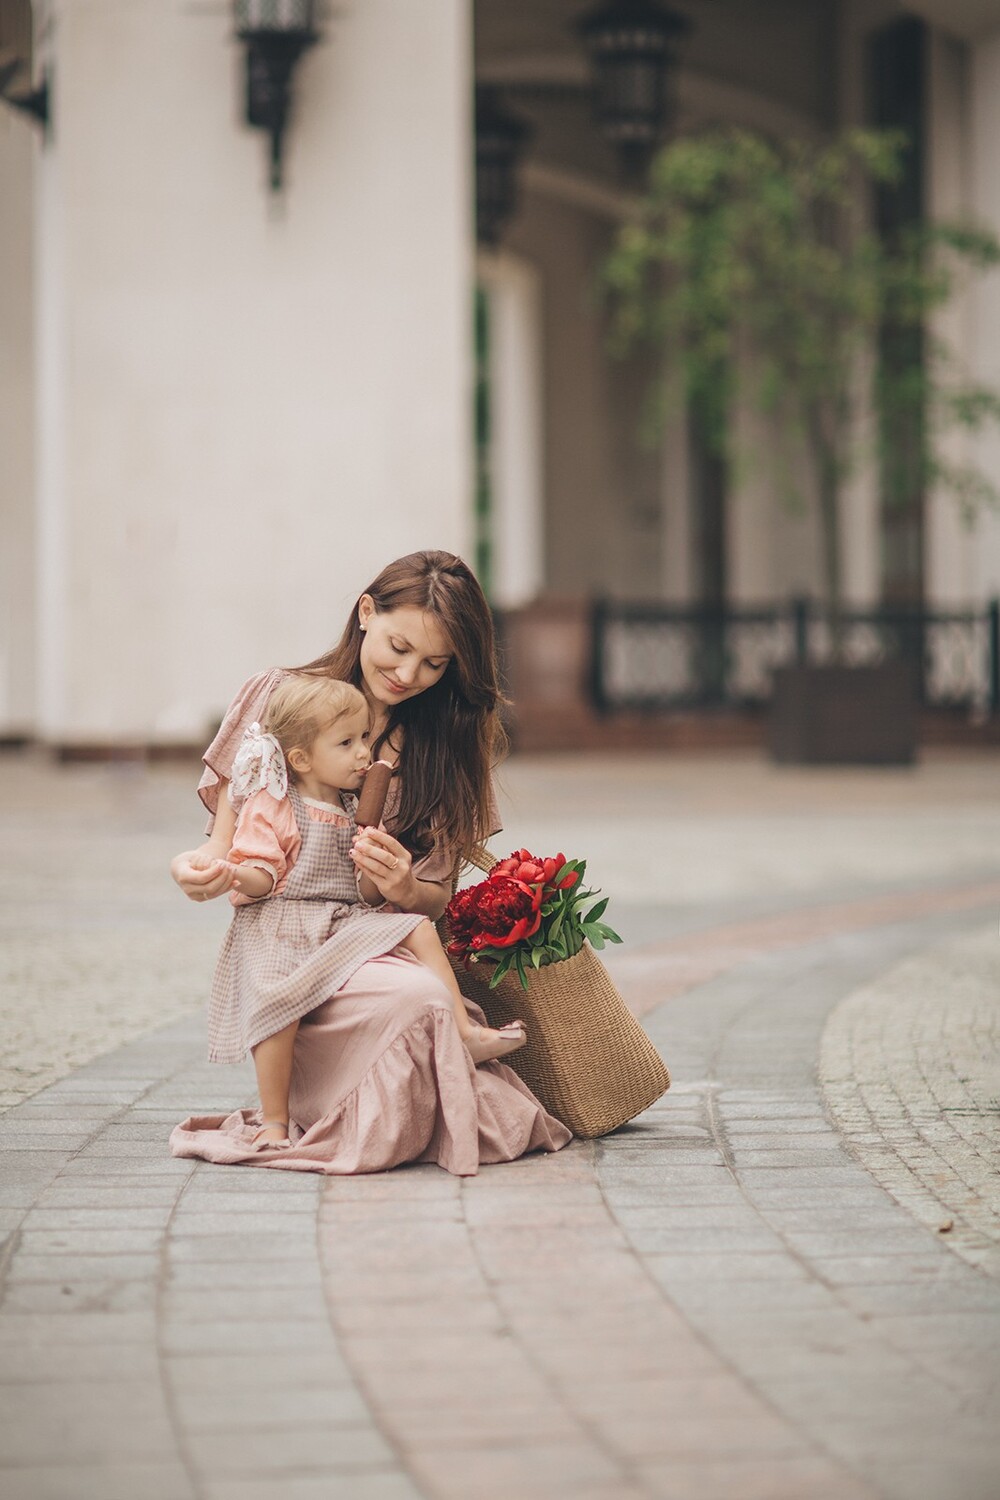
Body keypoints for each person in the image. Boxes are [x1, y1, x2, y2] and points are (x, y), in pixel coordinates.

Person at [169, 550, 572, 1175]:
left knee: (421, 999)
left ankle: (399, 1107)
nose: (409, 673)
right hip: (285, 949)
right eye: (399, 646)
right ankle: (318, 1101)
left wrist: (404, 887)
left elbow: (437, 898)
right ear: (366, 612)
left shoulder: (443, 744)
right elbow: (225, 843)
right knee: (417, 1003)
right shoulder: (277, 699)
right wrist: (198, 871)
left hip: (368, 945)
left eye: (435, 664)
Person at [210, 673, 527, 1147]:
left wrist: (381, 876)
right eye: (347, 743)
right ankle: (275, 1119)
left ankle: (464, 1030)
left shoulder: (353, 804)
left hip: (339, 919)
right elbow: (261, 871)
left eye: (364, 738)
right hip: (282, 923)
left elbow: (361, 891)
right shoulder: (275, 804)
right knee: (276, 1014)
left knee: (417, 926)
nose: (365, 752)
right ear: (301, 759)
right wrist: (236, 875)